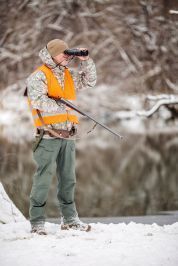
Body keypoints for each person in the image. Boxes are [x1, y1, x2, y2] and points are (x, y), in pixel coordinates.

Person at [26, 39, 97, 235]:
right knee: (43, 179)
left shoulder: (68, 75)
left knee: (68, 180)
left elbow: (90, 81)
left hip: (69, 137)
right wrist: (61, 106)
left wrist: (86, 60)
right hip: (47, 136)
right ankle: (37, 222)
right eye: (63, 53)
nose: (67, 56)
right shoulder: (38, 76)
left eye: (69, 53)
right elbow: (38, 101)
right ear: (52, 55)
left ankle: (70, 219)